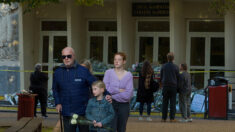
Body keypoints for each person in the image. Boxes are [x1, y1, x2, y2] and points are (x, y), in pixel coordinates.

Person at [53, 47, 96, 132]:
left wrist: (106, 94)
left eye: (69, 56)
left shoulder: (83, 70)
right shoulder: (57, 72)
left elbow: (95, 85)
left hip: (83, 112)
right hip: (67, 112)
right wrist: (58, 103)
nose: (66, 58)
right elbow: (55, 89)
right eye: (63, 56)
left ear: (74, 56)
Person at [103, 52, 134, 132]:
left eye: (119, 59)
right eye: (115, 59)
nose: (116, 61)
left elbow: (128, 95)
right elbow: (105, 89)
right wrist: (119, 90)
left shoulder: (128, 75)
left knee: (122, 129)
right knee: (110, 129)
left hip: (124, 106)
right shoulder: (108, 73)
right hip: (110, 104)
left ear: (124, 61)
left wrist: (112, 94)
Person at [160, 52, 180, 122]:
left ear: (167, 58)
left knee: (165, 102)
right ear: (173, 58)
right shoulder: (176, 67)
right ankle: (172, 118)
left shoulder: (163, 66)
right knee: (173, 103)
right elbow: (178, 77)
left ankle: (163, 118)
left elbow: (161, 76)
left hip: (165, 86)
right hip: (173, 86)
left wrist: (161, 84)